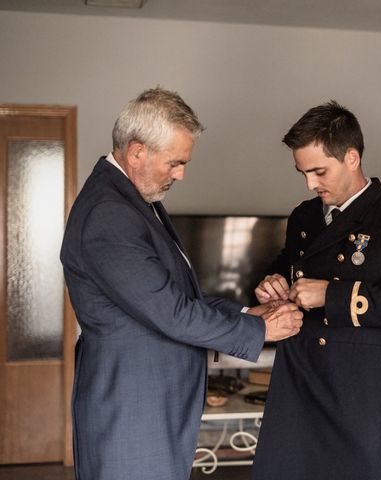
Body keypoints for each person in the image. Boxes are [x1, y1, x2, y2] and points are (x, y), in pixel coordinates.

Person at [59, 88, 302, 480]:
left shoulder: (134, 200)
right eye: (175, 162)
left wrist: (246, 311)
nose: (181, 174)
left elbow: (178, 297)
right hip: (133, 408)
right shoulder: (110, 213)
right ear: (138, 152)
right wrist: (261, 328)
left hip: (148, 403)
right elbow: (171, 313)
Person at [251, 101, 381, 480]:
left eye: (319, 171)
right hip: (300, 376)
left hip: (361, 388)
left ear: (351, 157)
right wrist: (273, 282)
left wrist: (329, 295)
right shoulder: (304, 216)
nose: (310, 184)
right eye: (302, 172)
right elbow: (288, 265)